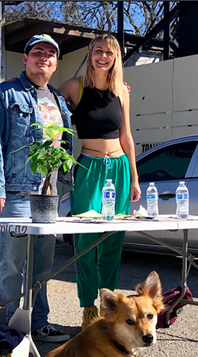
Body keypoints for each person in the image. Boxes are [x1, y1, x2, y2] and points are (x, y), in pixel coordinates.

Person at [0, 34, 72, 342]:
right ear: (25, 58)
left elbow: (66, 144)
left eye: (49, 54)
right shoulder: (5, 93)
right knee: (12, 264)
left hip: (49, 196)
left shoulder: (59, 99)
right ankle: (9, 328)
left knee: (43, 266)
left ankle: (38, 323)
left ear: (55, 63)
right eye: (37, 53)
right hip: (16, 194)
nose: (43, 58)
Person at [58, 34, 141, 329]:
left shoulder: (122, 91)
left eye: (109, 52)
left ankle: (111, 308)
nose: (103, 56)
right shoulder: (74, 86)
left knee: (112, 240)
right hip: (89, 167)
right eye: (98, 51)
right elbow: (47, 107)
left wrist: (134, 176)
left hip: (118, 167)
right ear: (90, 54)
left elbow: (127, 136)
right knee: (85, 241)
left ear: (116, 58)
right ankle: (87, 307)